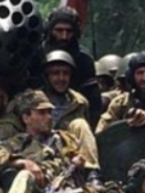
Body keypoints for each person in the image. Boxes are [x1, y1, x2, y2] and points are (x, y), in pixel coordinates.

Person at [0, 90, 104, 193]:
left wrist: (78, 162)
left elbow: (77, 159)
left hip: (60, 191)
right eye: (41, 113)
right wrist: (23, 162)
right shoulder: (17, 142)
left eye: (49, 112)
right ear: (26, 117)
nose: (48, 117)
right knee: (25, 176)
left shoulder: (64, 138)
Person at [40, 49, 102, 184]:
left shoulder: (79, 102)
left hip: (67, 150)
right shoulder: (32, 100)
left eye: (66, 74)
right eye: (56, 73)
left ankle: (92, 173)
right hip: (39, 149)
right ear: (47, 76)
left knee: (80, 124)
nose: (61, 78)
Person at [40, 6, 103, 127]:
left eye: (69, 31)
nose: (64, 36)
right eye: (59, 30)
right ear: (49, 30)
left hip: (73, 116)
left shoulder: (84, 60)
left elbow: (94, 104)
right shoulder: (37, 54)